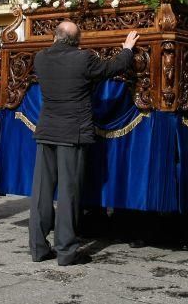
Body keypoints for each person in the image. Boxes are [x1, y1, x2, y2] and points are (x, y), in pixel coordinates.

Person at [29, 21, 138, 266]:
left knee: (41, 192)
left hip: (46, 130)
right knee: (68, 192)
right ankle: (66, 251)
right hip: (72, 133)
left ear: (55, 37)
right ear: (78, 40)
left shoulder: (40, 58)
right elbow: (112, 68)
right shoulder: (83, 58)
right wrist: (127, 49)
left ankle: (37, 247)